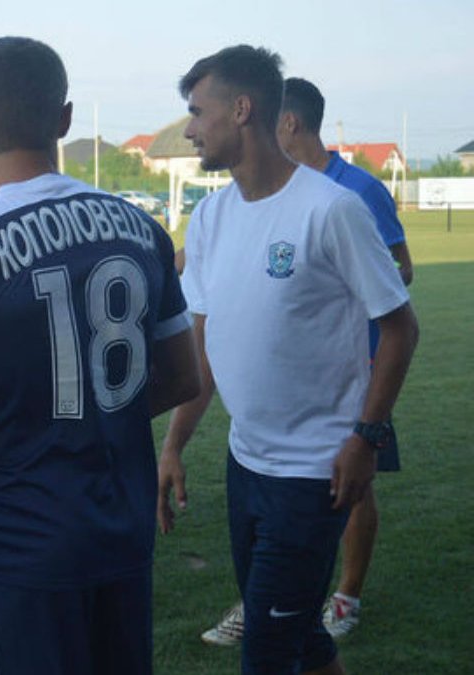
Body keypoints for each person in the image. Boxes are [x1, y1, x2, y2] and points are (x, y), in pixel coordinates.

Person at [0, 37, 200, 674]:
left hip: (21, 538)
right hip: (121, 527)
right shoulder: (142, 229)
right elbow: (182, 377)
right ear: (64, 118)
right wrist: (93, 419)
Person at [159, 45, 418, 674]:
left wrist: (365, 438)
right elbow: (205, 344)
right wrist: (173, 446)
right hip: (246, 462)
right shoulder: (211, 216)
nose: (189, 129)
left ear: (241, 110)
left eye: (197, 112)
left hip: (313, 471)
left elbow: (400, 328)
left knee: (268, 652)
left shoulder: (331, 210)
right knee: (302, 636)